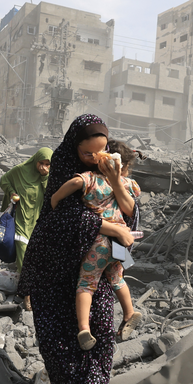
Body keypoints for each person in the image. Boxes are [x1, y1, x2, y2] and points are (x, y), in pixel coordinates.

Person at [18, 114, 135, 384]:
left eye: (101, 152)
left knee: (100, 345)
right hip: (55, 279)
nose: (96, 158)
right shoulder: (64, 170)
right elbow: (57, 215)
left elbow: (131, 215)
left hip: (94, 275)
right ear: (74, 149)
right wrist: (109, 228)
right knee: (63, 352)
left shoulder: (113, 175)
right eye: (89, 154)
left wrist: (115, 181)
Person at [50, 139, 142, 350]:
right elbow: (133, 201)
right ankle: (129, 312)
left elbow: (74, 183)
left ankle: (83, 328)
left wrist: (55, 197)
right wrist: (118, 177)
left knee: (86, 283)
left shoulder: (91, 179)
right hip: (120, 242)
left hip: (99, 242)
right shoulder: (128, 184)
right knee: (117, 278)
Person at [0, 147, 52, 308]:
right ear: (35, 161)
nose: (43, 167)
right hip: (21, 221)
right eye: (40, 163)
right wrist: (11, 192)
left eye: (47, 164)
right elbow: (4, 180)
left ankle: (38, 291)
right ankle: (27, 295)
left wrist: (45, 177)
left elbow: (51, 194)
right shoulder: (20, 171)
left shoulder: (51, 177)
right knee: (24, 258)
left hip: (39, 223)